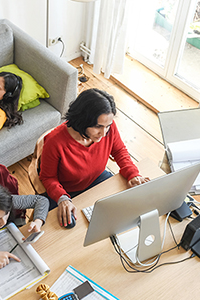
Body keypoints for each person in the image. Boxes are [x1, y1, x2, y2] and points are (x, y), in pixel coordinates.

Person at [39, 88, 149, 227]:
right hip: (66, 191)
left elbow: (119, 151)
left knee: (124, 213)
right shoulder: (54, 142)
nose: (103, 133)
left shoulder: (108, 128)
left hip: (96, 178)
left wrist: (133, 174)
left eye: (107, 126)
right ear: (82, 120)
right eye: (98, 126)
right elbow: (48, 178)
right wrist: (62, 198)